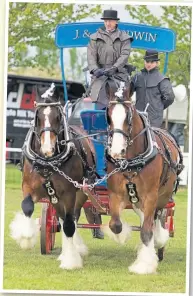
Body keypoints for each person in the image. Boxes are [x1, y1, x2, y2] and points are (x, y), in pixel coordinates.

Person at [87, 9, 132, 108]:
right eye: (106, 21)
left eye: (110, 21)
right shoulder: (94, 37)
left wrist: (115, 68)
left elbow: (124, 55)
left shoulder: (125, 38)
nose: (108, 23)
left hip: (118, 74)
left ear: (116, 22)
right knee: (99, 102)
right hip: (100, 75)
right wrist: (95, 69)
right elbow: (91, 55)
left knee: (121, 103)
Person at [131, 49, 175, 128]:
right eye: (147, 61)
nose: (149, 64)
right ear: (144, 62)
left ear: (157, 63)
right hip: (137, 117)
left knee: (152, 139)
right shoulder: (137, 77)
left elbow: (170, 98)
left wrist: (158, 107)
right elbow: (128, 91)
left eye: (152, 62)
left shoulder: (162, 79)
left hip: (154, 119)